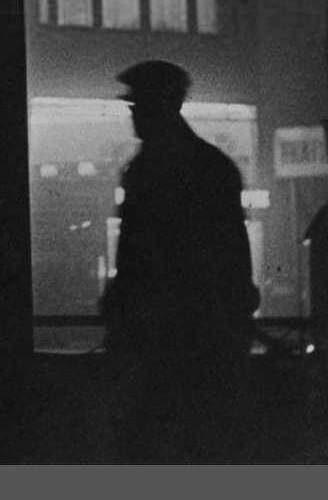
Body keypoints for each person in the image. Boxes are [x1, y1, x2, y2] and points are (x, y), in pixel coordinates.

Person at [101, 60, 259, 461]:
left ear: (162, 107)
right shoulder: (211, 168)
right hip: (201, 343)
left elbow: (142, 259)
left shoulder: (148, 171)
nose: (135, 115)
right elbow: (232, 262)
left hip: (167, 344)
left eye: (139, 105)